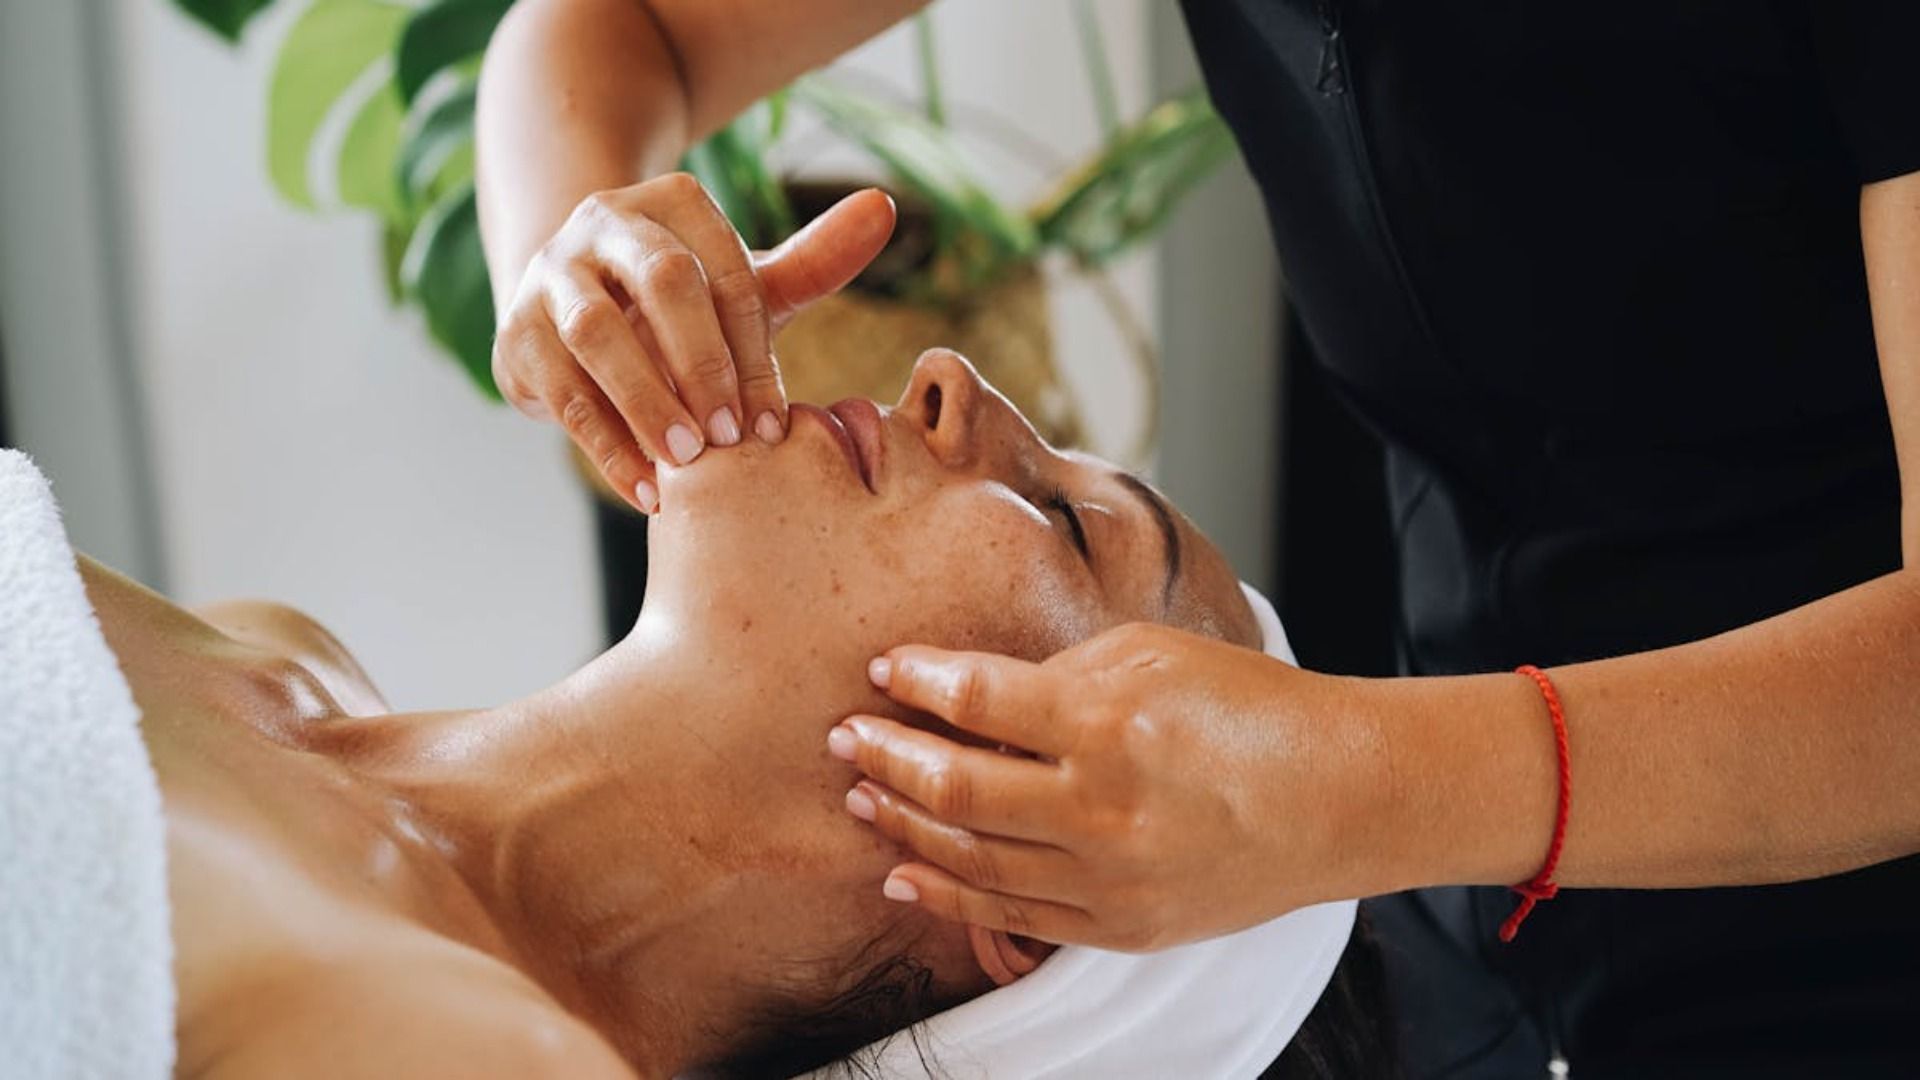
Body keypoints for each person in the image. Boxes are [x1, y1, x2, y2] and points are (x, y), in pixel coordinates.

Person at [476, 2, 1920, 1075]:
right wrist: (576, 262)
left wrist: (1359, 786)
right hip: (1464, 897)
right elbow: (622, 32)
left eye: (1065, 520)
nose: (943, 380)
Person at [94, 353, 1384, 1078]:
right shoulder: (274, 658)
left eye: (1065, 524)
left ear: (1030, 880)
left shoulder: (450, 1054)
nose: (951, 383)